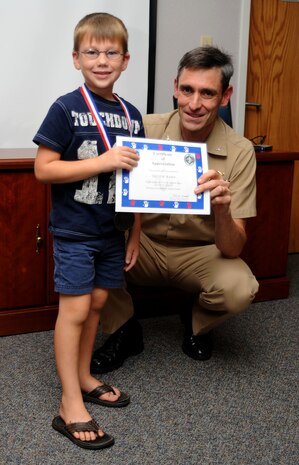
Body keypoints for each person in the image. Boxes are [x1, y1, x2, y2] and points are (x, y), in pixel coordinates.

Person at [91, 45, 259, 374]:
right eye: (187, 90)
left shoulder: (241, 152)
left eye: (208, 93)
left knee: (241, 288)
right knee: (89, 248)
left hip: (200, 251)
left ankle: (196, 323)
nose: (194, 104)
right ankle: (124, 329)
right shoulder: (141, 129)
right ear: (175, 88)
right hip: (143, 244)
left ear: (225, 97)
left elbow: (233, 247)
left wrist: (223, 209)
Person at [33, 12, 144, 450]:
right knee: (75, 310)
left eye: (111, 52)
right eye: (92, 52)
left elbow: (135, 183)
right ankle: (69, 402)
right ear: (76, 58)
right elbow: (44, 169)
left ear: (126, 59)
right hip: (76, 230)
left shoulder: (131, 114)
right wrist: (102, 161)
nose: (102, 60)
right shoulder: (65, 107)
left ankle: (81, 375)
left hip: (111, 231)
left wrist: (134, 233)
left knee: (98, 303)